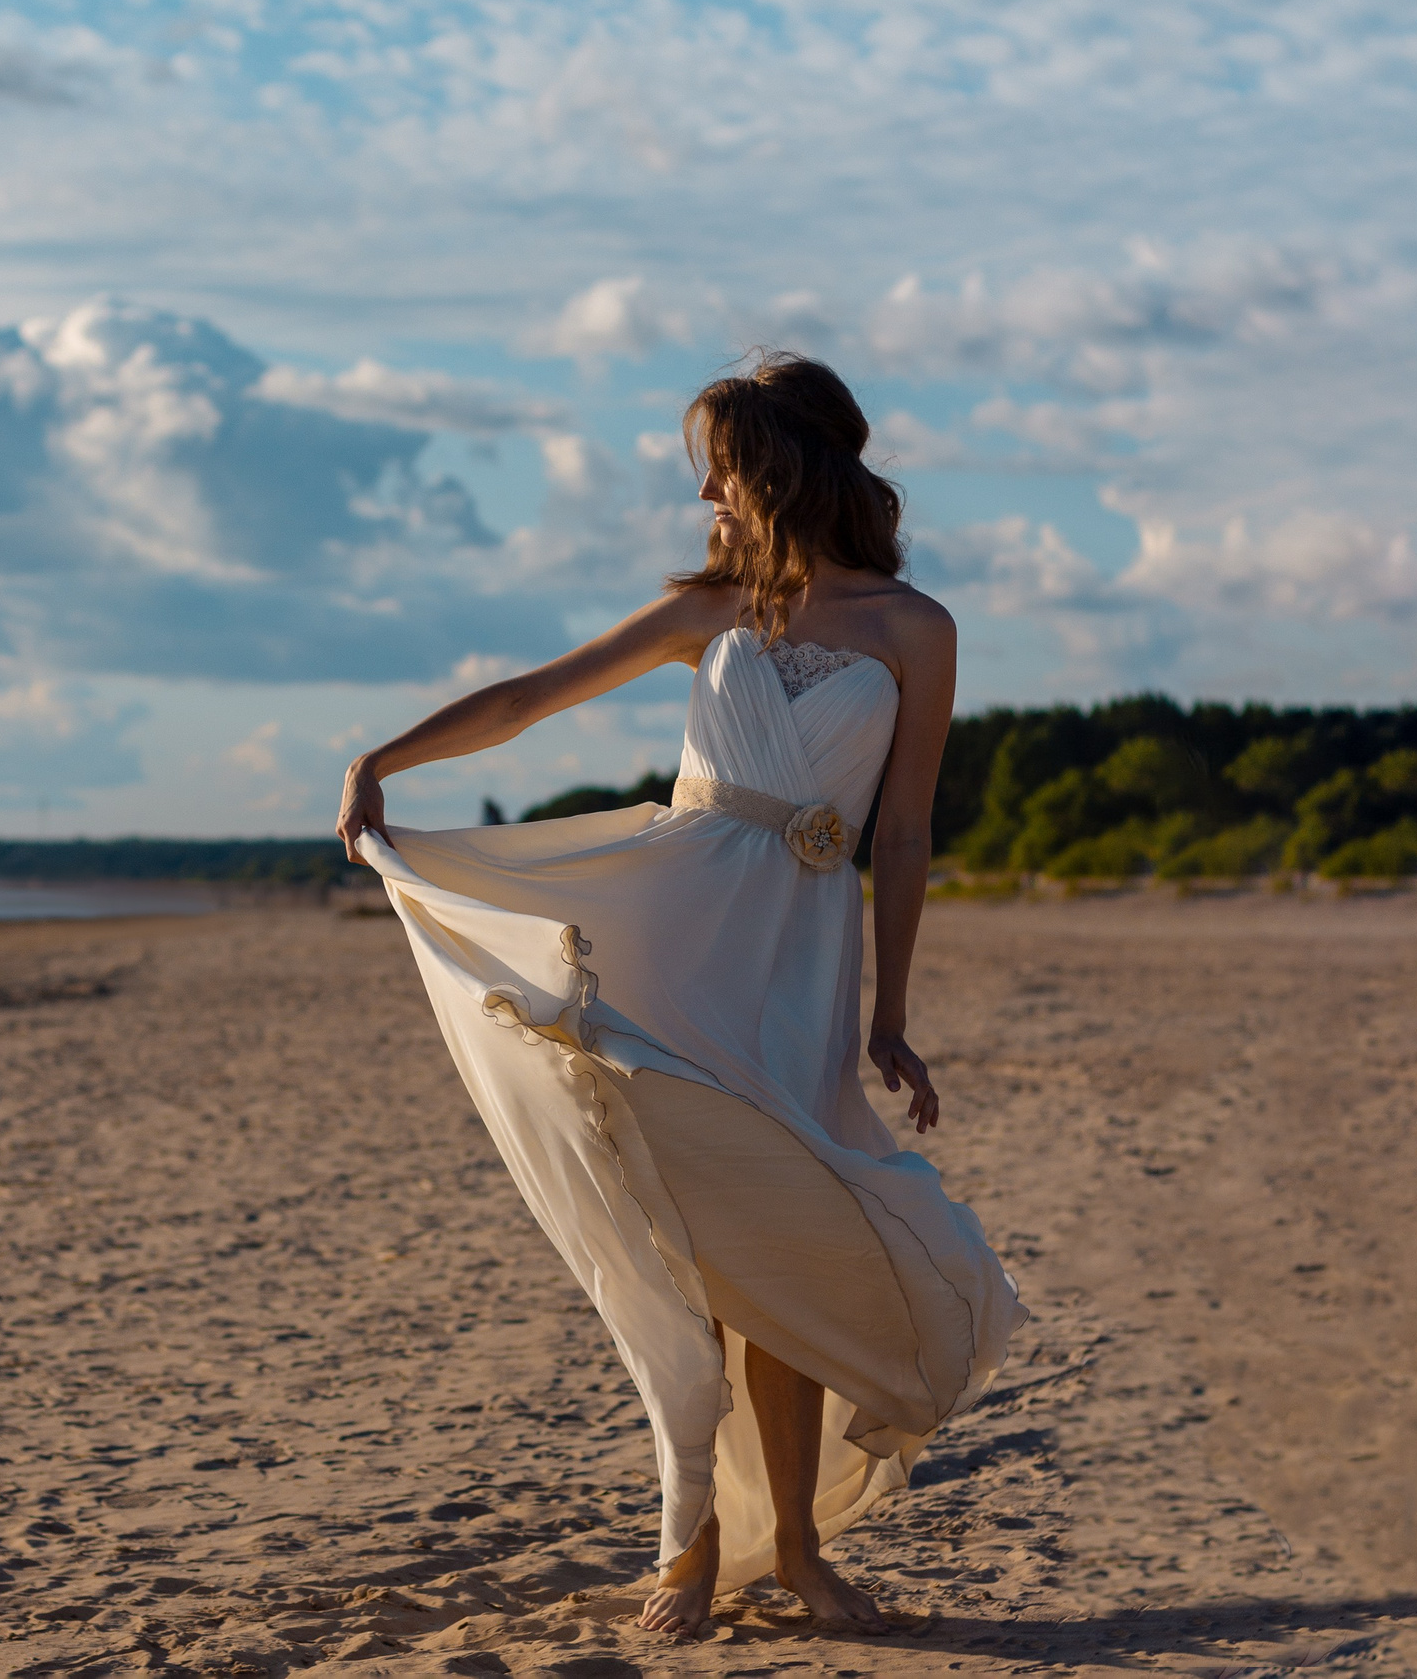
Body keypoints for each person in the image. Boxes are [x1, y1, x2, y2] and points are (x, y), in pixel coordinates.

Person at [335, 351, 1026, 1636]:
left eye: (720, 462)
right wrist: (389, 753)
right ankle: (690, 1549)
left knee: (787, 1253)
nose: (705, 488)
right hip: (668, 932)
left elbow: (907, 835)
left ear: (782, 466)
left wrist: (891, 1014)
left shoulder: (913, 630)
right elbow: (532, 699)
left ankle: (801, 1552)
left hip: (797, 963)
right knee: (693, 1260)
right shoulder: (712, 608)